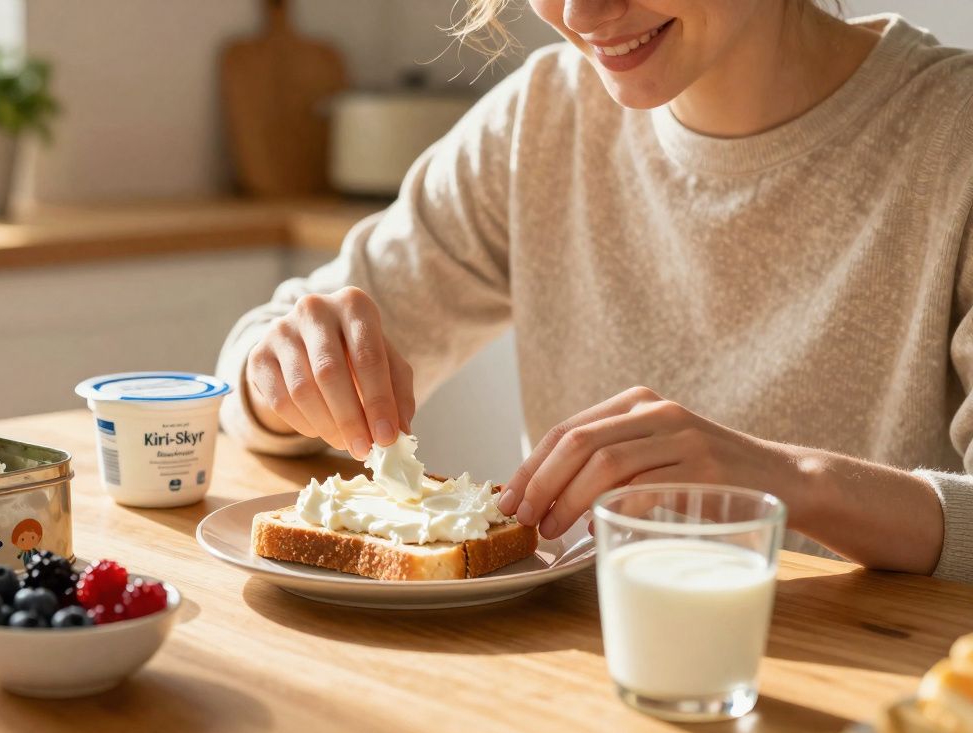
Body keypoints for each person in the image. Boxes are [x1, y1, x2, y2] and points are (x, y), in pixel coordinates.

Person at [216, 1, 973, 581]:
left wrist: (795, 484)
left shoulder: (953, 135)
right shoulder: (542, 116)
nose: (579, 15)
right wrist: (277, 374)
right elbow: (254, 361)